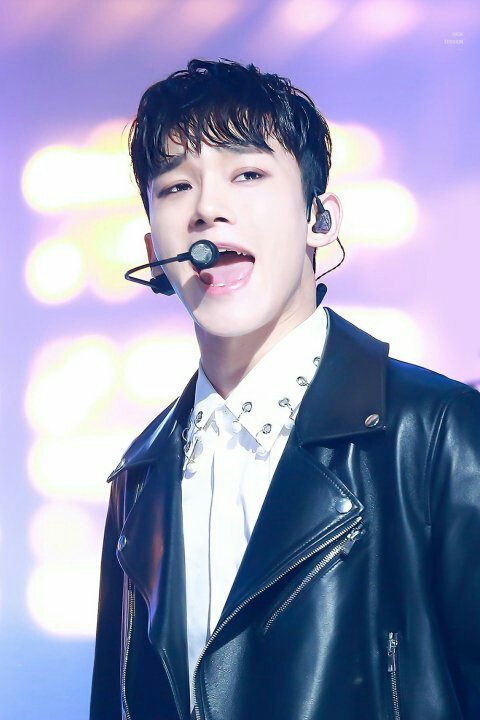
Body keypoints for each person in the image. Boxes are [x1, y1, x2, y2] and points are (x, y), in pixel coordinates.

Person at [90, 59, 480, 720]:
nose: (208, 209)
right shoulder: (139, 479)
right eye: (177, 185)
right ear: (154, 250)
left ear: (319, 217)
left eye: (247, 174)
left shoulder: (437, 433)